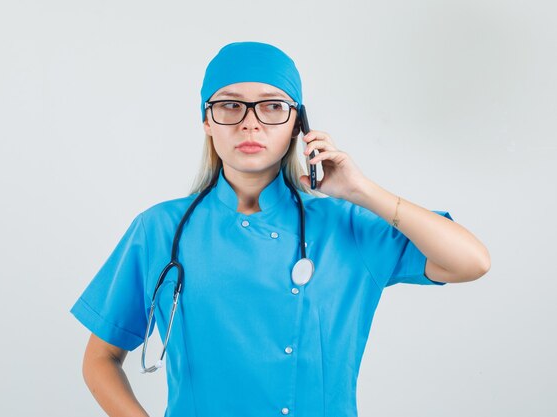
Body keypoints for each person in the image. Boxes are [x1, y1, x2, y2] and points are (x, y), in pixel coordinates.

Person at [70, 41, 490, 417]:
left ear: (297, 125)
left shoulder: (346, 225)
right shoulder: (160, 229)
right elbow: (100, 360)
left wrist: (362, 190)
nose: (250, 123)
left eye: (272, 106)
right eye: (230, 105)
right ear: (206, 121)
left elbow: (471, 262)